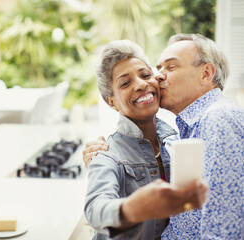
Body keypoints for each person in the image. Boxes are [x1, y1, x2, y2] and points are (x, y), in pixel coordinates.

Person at [83, 33, 244, 239]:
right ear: (111, 102)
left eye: (169, 67)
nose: (156, 77)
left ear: (206, 74)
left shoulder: (205, 126)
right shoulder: (107, 153)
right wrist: (134, 208)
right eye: (125, 83)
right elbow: (96, 209)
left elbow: (224, 226)